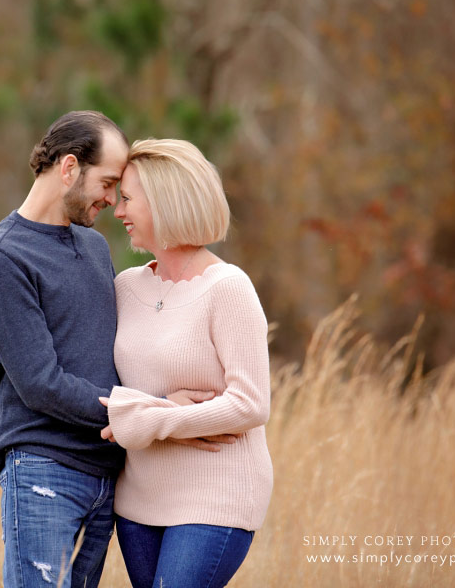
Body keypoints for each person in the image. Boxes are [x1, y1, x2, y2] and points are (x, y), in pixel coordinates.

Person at [0, 113, 223, 587]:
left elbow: (118, 353)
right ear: (69, 168)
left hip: (107, 478)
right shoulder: (2, 257)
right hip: (43, 471)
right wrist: (155, 414)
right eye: (107, 183)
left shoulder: (92, 247)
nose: (112, 199)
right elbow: (41, 384)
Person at [98, 138, 273, 588]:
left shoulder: (228, 288)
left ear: (165, 202)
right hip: (137, 502)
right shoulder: (124, 288)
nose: (117, 212)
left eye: (128, 199)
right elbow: (78, 365)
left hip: (215, 499)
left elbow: (251, 405)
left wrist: (160, 419)